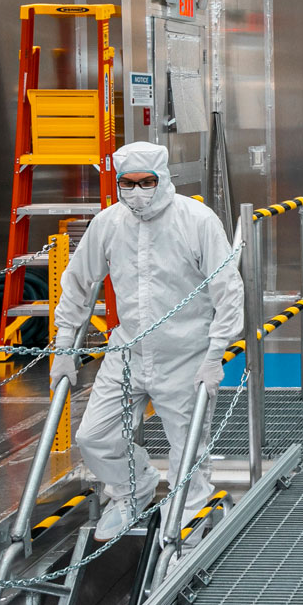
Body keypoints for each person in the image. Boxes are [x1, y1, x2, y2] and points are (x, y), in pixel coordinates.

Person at [49, 142, 243, 540]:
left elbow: (228, 290)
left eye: (147, 182)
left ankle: (183, 535)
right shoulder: (109, 223)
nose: (137, 191)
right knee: (94, 436)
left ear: (163, 178)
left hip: (185, 354)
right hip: (128, 352)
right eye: (128, 183)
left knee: (187, 451)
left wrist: (215, 353)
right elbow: (77, 283)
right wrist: (65, 345)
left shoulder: (196, 220)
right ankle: (132, 491)